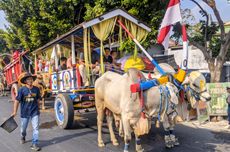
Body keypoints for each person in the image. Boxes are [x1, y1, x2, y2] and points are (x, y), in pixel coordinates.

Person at [11, 73, 41, 151]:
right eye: (28, 79)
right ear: (25, 81)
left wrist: (39, 108)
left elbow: (38, 99)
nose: (30, 80)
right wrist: (14, 112)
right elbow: (17, 101)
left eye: (31, 79)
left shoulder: (36, 89)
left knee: (36, 128)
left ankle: (34, 143)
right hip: (25, 113)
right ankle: (23, 136)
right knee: (23, 129)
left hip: (34, 112)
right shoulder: (22, 90)